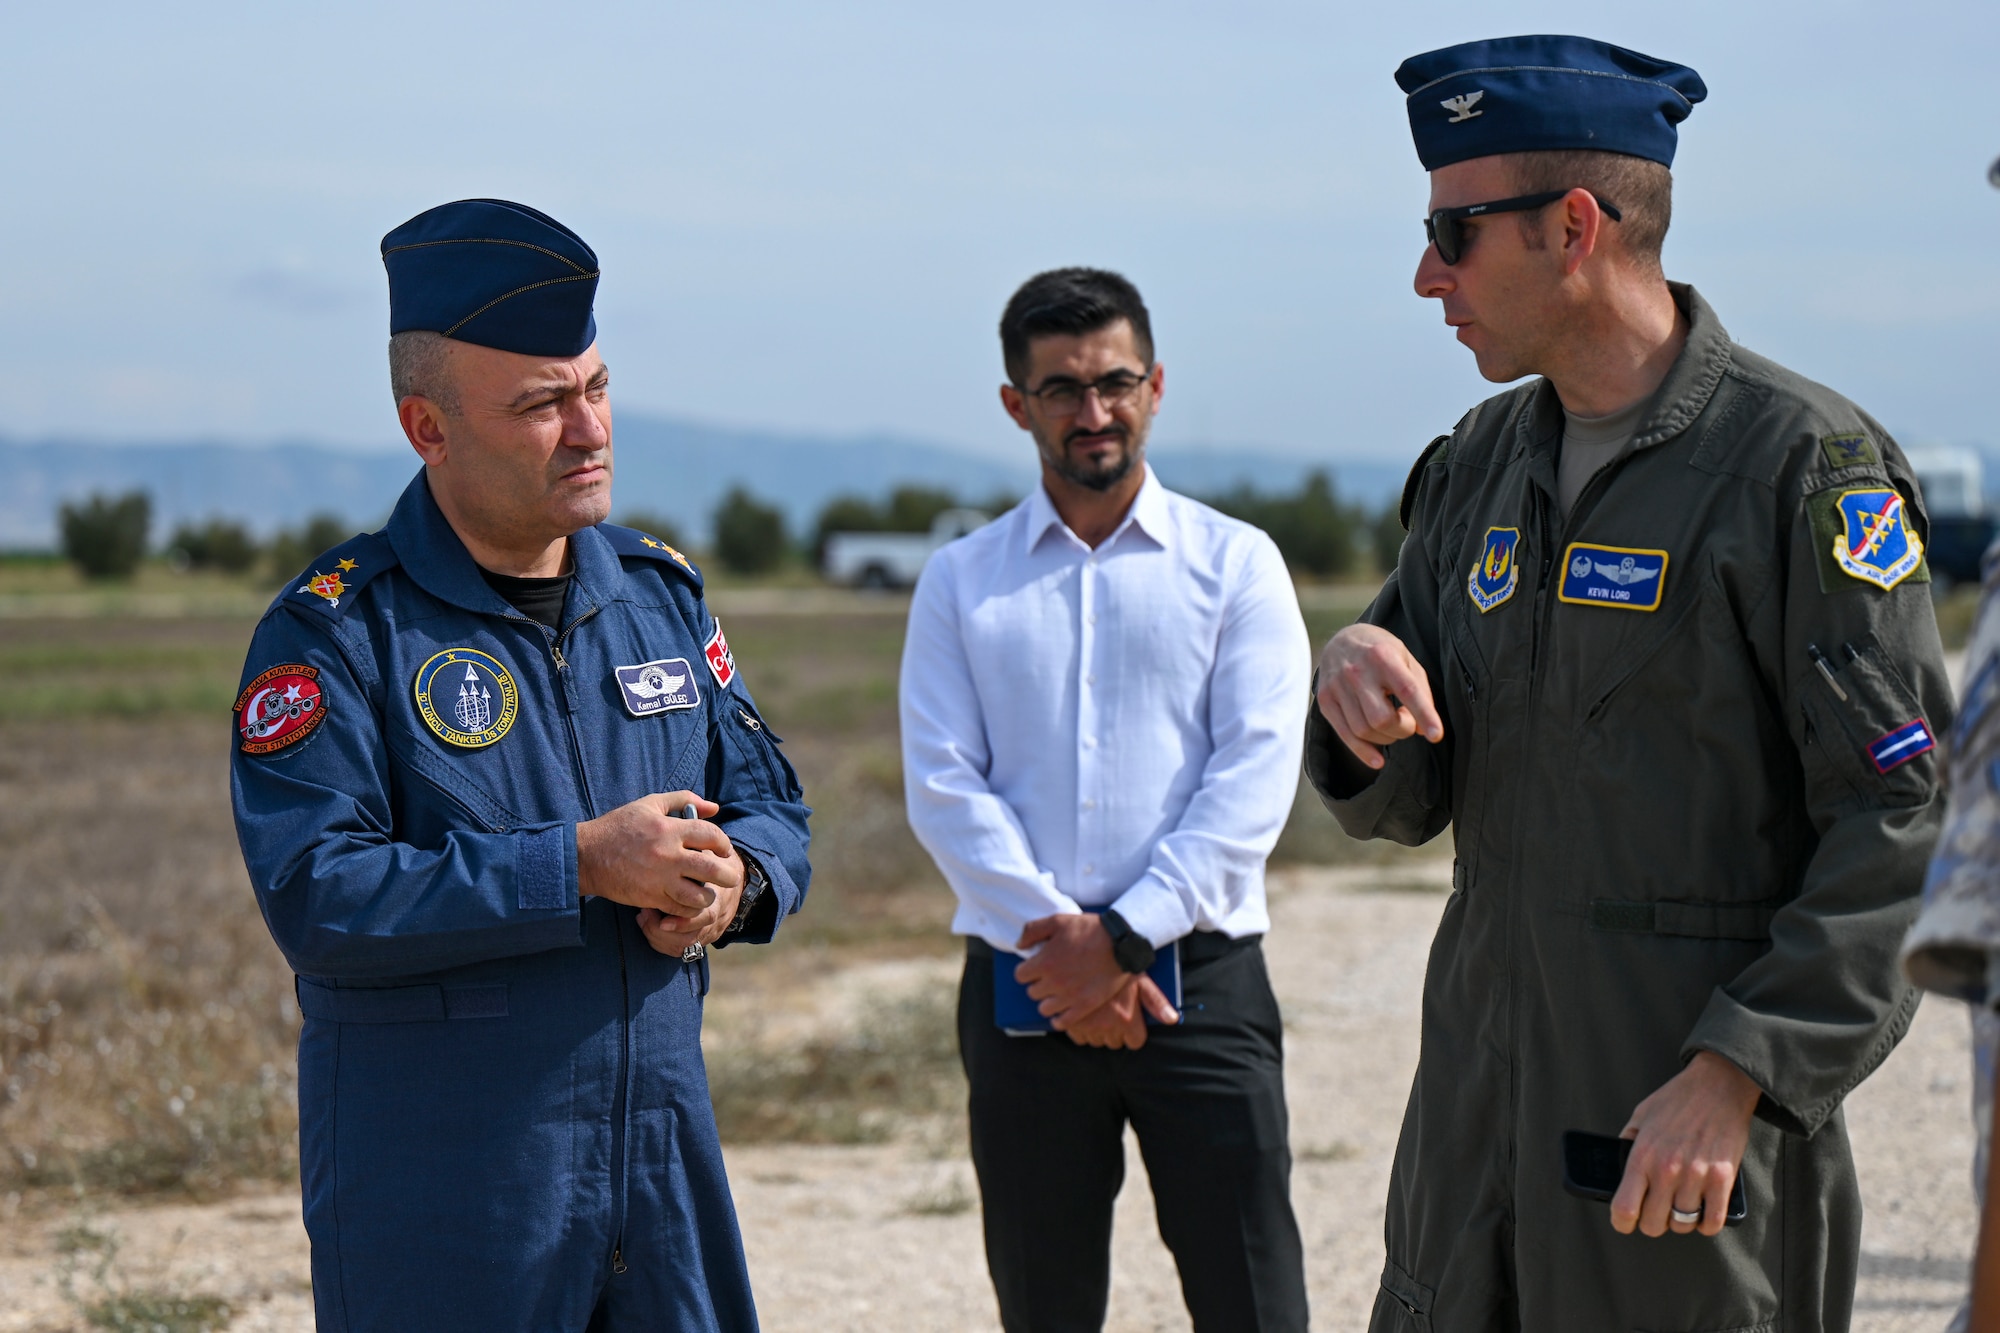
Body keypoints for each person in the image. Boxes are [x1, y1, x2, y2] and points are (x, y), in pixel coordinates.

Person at [1306, 37, 1952, 1331]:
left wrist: (1743, 1069)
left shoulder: (1800, 471)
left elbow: (1905, 818)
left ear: (1576, 227)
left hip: (1679, 1155)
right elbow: (1408, 786)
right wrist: (1354, 697)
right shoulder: (1483, 462)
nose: (1429, 273)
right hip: (1470, 1143)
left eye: (1455, 230)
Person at [229, 198, 811, 1332]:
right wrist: (579, 864)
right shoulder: (340, 634)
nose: (588, 430)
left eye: (594, 388)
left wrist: (739, 881)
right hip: (452, 1197)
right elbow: (317, 896)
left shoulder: (654, 599)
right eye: (543, 405)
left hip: (660, 1175)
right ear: (426, 427)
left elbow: (772, 804)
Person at [900, 267, 1313, 1332]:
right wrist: (1070, 953)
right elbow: (945, 787)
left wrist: (1123, 938)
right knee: (1044, 1304)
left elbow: (1253, 777)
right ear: (1014, 404)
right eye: (1060, 389)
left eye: (1114, 381)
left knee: (1253, 1300)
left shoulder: (1237, 566)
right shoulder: (960, 580)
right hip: (1023, 987)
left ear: (1155, 385)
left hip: (1203, 986)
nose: (1093, 412)